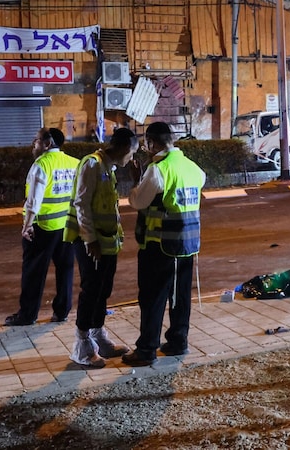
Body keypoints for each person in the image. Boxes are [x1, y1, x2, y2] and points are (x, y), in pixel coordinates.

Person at [122, 122, 206, 367]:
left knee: (153, 298)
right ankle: (178, 341)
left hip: (158, 246)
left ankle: (147, 349)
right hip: (187, 244)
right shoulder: (193, 168)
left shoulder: (158, 169)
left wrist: (136, 182)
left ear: (151, 142)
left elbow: (138, 202)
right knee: (180, 297)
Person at [64, 128, 138, 367]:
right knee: (91, 290)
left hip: (107, 242)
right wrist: (90, 240)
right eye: (132, 152)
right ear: (125, 148)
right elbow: (81, 204)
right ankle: (82, 345)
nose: (132, 158)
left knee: (103, 289)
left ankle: (98, 335)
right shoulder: (92, 165)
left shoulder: (108, 168)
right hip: (92, 243)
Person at [5, 128, 79, 326]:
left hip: (43, 227)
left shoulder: (41, 165)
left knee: (34, 272)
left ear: (48, 144)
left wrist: (27, 225)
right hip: (67, 226)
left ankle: (27, 315)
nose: (33, 144)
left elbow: (34, 201)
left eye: (36, 140)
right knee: (66, 270)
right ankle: (62, 311)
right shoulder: (75, 163)